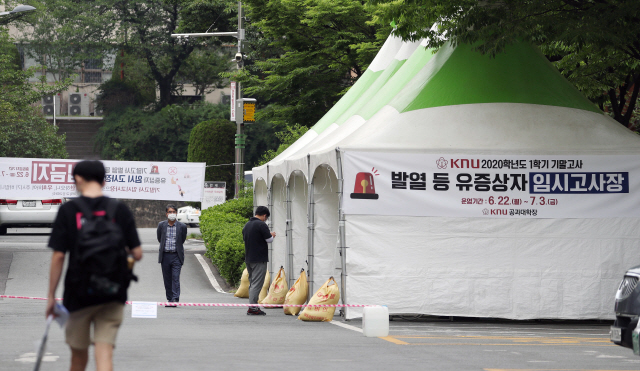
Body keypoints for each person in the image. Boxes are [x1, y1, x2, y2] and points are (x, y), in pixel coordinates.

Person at [46, 160, 142, 371]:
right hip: (113, 292)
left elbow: (59, 256)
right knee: (104, 353)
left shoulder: (69, 211)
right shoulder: (120, 210)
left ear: (78, 179)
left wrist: (51, 297)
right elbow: (137, 253)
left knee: (78, 359)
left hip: (78, 293)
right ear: (104, 181)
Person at [242, 206, 276, 315]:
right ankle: (253, 308)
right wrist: (272, 235)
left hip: (249, 258)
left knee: (253, 282)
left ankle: (253, 306)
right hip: (259, 258)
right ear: (264, 215)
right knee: (257, 283)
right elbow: (269, 240)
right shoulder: (261, 224)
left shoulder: (247, 225)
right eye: (266, 217)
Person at [157, 204, 187, 306]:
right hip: (165, 256)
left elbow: (181, 240)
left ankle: (175, 299)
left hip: (176, 256)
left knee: (175, 277)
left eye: (174, 212)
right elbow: (159, 238)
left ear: (176, 213)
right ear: (166, 214)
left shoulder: (182, 226)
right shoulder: (161, 225)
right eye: (170, 212)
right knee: (167, 278)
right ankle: (169, 299)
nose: (172, 214)